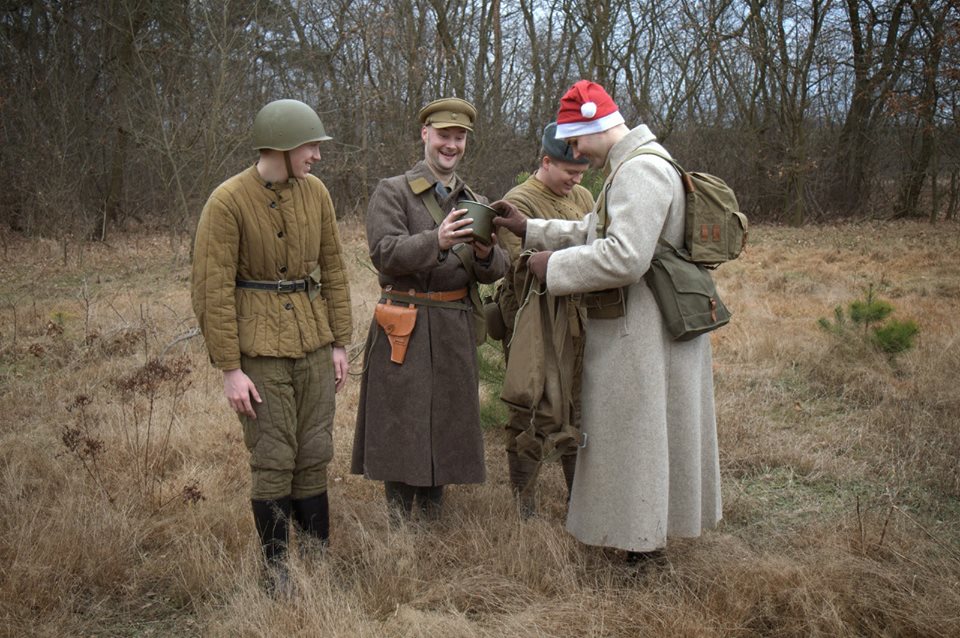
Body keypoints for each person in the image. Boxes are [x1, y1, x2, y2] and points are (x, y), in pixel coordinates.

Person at [493, 80, 722, 562]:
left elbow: (625, 257)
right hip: (642, 329)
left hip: (645, 334)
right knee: (641, 442)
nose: (576, 153)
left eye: (576, 141)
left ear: (596, 127)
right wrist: (529, 228)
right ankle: (641, 541)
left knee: (640, 443)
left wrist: (552, 266)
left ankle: (644, 551)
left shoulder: (640, 170)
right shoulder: (633, 165)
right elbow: (593, 230)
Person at [191, 99, 352, 585]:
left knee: (315, 451)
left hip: (313, 341)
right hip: (258, 351)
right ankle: (277, 572)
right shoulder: (227, 201)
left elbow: (334, 269)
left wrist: (339, 343)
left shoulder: (316, 193)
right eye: (310, 147)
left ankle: (317, 564)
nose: (317, 156)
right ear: (281, 146)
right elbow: (212, 290)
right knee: (274, 457)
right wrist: (229, 368)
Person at [351, 97, 511, 521]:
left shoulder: (475, 200)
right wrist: (435, 241)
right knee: (401, 421)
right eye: (443, 135)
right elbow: (384, 253)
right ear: (425, 134)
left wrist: (485, 253)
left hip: (454, 326)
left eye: (459, 137)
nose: (451, 145)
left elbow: (498, 268)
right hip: (405, 324)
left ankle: (433, 513)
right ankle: (401, 521)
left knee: (447, 420)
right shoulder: (393, 191)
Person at [495, 122, 594, 516]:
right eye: (570, 172)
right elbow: (519, 266)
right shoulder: (518, 200)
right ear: (546, 161)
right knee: (530, 409)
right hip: (533, 322)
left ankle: (580, 503)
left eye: (582, 173)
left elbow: (597, 244)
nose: (576, 180)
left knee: (580, 410)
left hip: (580, 320)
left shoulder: (584, 196)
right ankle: (523, 507)